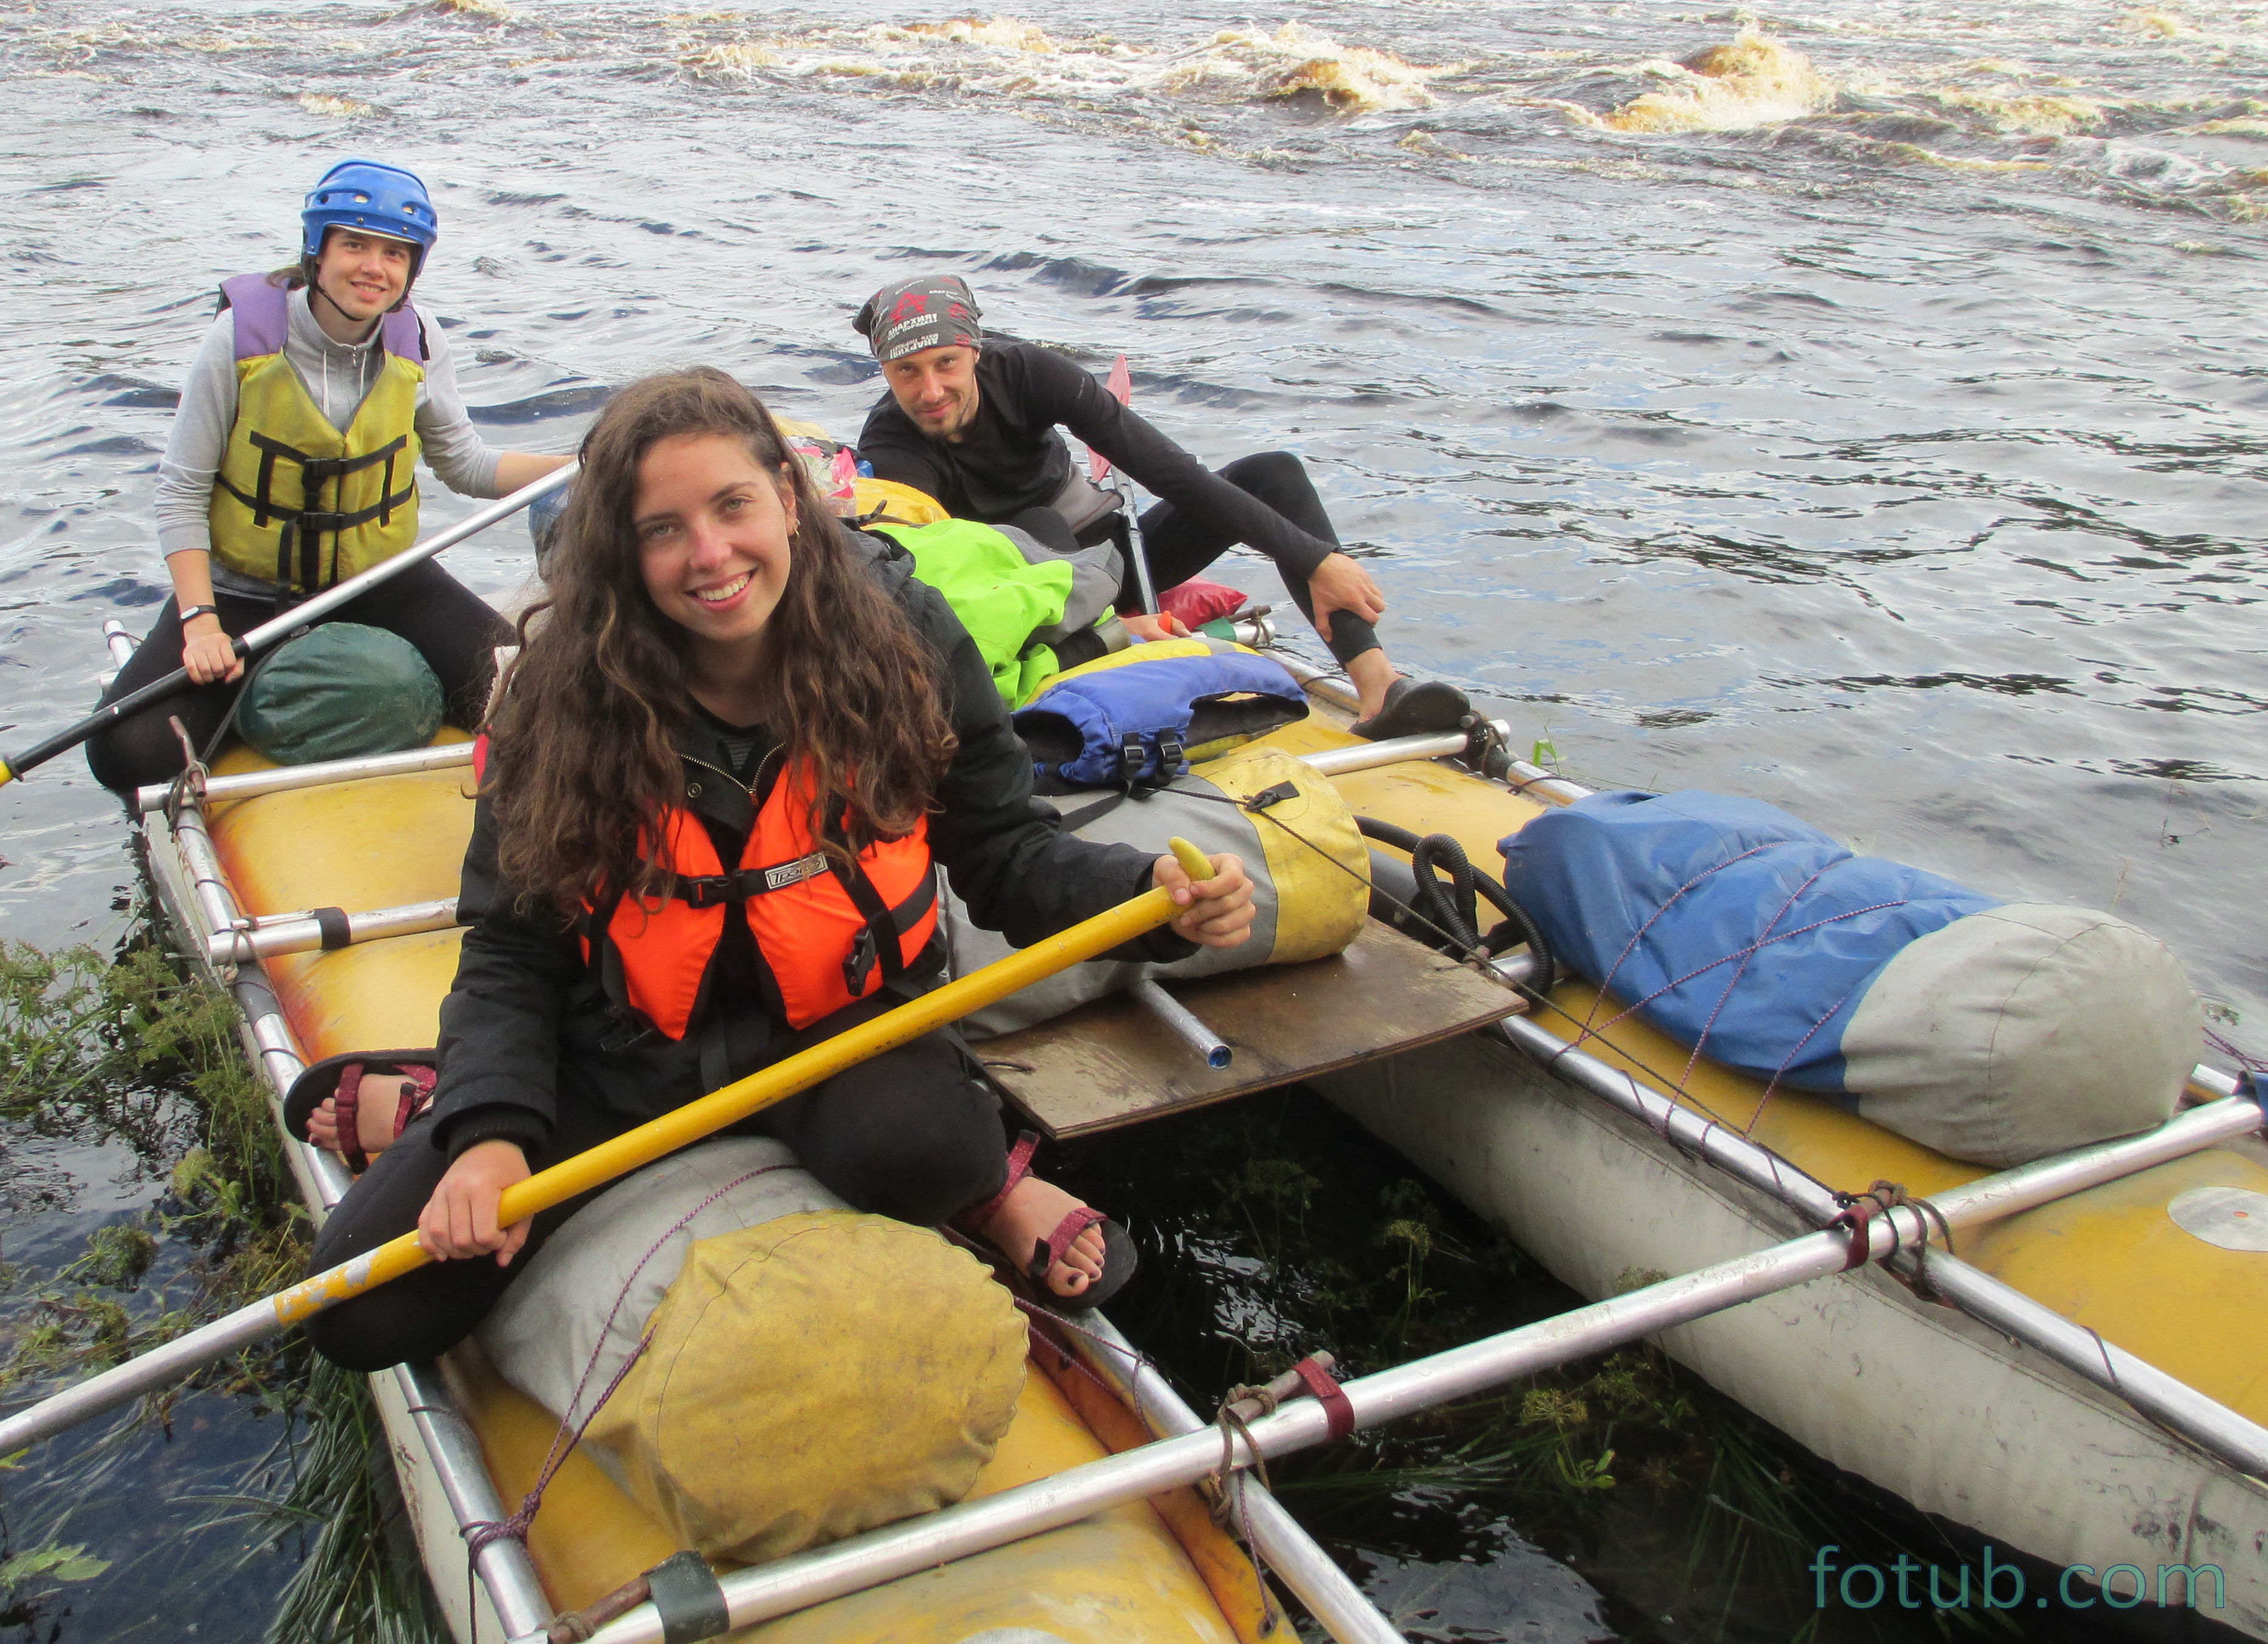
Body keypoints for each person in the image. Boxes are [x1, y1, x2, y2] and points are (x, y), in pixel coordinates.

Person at [300, 368, 1254, 1372]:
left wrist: (1143, 899)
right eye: (659, 528)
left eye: (732, 506)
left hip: (835, 1028)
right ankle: (441, 1097)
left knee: (927, 1150)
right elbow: (511, 943)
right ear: (619, 552)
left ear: (788, 502)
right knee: (361, 1314)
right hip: (622, 1049)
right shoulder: (560, 694)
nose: (708, 555)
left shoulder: (908, 642)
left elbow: (1005, 850)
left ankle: (987, 1183)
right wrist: (491, 1129)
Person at [84, 158, 569, 795]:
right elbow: (181, 488)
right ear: (318, 250)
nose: (375, 267)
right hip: (244, 592)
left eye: (396, 254)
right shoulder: (240, 338)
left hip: (379, 580)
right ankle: (262, 697)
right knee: (126, 754)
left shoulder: (418, 338)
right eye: (356, 245)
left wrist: (588, 460)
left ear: (412, 269)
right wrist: (200, 620)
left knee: (536, 696)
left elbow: (468, 465)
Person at [850, 275, 1465, 737]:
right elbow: (944, 584)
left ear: (976, 351)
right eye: (907, 372)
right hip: (1035, 597)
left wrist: (1315, 557)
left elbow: (1174, 474)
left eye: (946, 364)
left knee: (1273, 474)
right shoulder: (891, 446)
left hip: (1117, 554)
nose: (931, 391)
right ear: (884, 370)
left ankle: (1378, 686)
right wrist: (1108, 632)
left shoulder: (1031, 374)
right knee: (1030, 529)